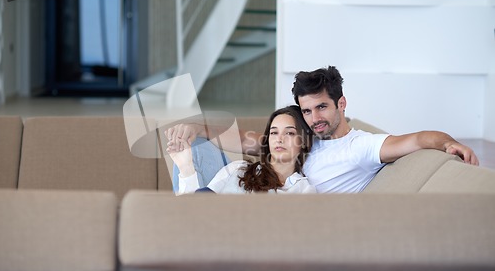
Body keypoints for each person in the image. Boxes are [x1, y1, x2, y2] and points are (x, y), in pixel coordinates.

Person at [166, 66, 479, 193]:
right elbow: (241, 139)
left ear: (341, 104)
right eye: (306, 110)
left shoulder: (361, 147)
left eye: (322, 107)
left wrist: (449, 143)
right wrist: (196, 126)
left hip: (283, 205)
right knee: (192, 149)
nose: (314, 117)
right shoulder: (303, 137)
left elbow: (416, 139)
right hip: (254, 185)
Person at [167, 105, 316, 195]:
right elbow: (194, 210)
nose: (279, 139)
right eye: (274, 132)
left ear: (303, 142)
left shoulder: (304, 190)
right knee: (197, 145)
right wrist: (186, 168)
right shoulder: (239, 169)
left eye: (289, 133)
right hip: (213, 235)